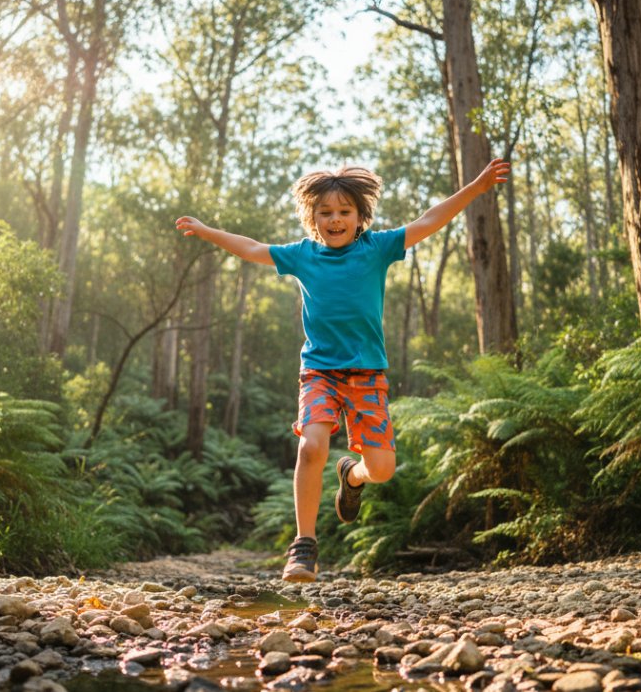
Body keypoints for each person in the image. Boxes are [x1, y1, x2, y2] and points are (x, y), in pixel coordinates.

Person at [175, 157, 511, 582]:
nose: (335, 220)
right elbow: (252, 249)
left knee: (383, 469)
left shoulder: (378, 248)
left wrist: (476, 188)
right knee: (312, 445)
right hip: (318, 372)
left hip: (367, 375)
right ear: (312, 218)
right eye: (325, 212)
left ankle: (352, 475)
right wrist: (207, 231)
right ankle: (304, 546)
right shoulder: (303, 255)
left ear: (359, 217)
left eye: (344, 212)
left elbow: (430, 219)